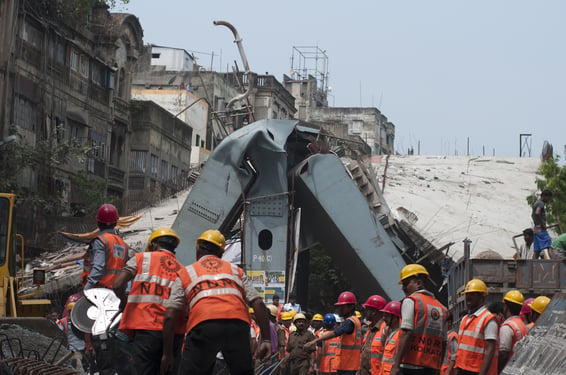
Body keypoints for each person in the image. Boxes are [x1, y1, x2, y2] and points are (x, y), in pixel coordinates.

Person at [161, 229, 271, 375]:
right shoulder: (235, 271)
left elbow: (170, 315)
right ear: (221, 253)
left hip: (203, 324)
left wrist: (167, 354)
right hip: (237, 325)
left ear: (198, 249)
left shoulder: (186, 272)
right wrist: (267, 340)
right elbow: (258, 303)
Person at [112, 228, 187, 375]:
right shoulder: (183, 271)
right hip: (173, 335)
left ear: (154, 245)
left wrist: (124, 300)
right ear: (174, 249)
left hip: (146, 330)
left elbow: (117, 285)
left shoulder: (141, 258)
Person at [391, 264, 448, 375]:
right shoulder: (442, 309)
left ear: (418, 283)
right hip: (430, 368)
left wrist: (396, 365)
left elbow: (406, 333)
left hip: (409, 366)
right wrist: (438, 367)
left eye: (406, 284)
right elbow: (443, 342)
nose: (403, 288)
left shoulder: (411, 301)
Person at [304, 291, 362, 375]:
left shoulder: (350, 322)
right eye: (340, 306)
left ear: (351, 306)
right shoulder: (356, 321)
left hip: (347, 366)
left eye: (343, 306)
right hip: (348, 364)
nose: (340, 309)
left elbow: (336, 332)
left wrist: (313, 341)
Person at [453, 279, 498, 375]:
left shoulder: (488, 319)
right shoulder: (465, 319)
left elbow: (490, 350)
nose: (468, 297)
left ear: (481, 297)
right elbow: (460, 350)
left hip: (476, 371)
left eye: (472, 294)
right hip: (462, 370)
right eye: (467, 294)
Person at [82, 203, 128, 290]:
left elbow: (98, 268)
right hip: (116, 292)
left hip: (99, 291)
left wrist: (87, 290)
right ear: (115, 222)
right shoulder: (123, 244)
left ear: (99, 223)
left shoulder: (101, 241)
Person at [498, 290, 529, 373]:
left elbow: (503, 355)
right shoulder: (522, 325)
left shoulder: (507, 327)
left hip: (510, 370)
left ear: (506, 308)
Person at [56, 293, 85, 373]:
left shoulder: (81, 321)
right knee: (79, 368)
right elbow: (59, 335)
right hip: (73, 350)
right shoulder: (63, 322)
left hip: (84, 349)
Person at [359, 295, 386, 375]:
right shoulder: (370, 329)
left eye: (367, 310)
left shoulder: (385, 329)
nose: (365, 312)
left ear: (374, 312)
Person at [379, 301, 401, 375]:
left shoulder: (400, 336)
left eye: (387, 316)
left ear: (395, 318)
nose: (383, 318)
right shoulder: (389, 332)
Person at [531, 189, 552, 259]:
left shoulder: (535, 203)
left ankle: (532, 264)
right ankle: (552, 263)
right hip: (540, 229)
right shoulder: (541, 203)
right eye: (548, 198)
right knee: (549, 243)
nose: (548, 200)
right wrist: (542, 224)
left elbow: (532, 215)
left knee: (537, 249)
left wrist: (536, 223)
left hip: (536, 229)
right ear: (544, 196)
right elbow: (537, 213)